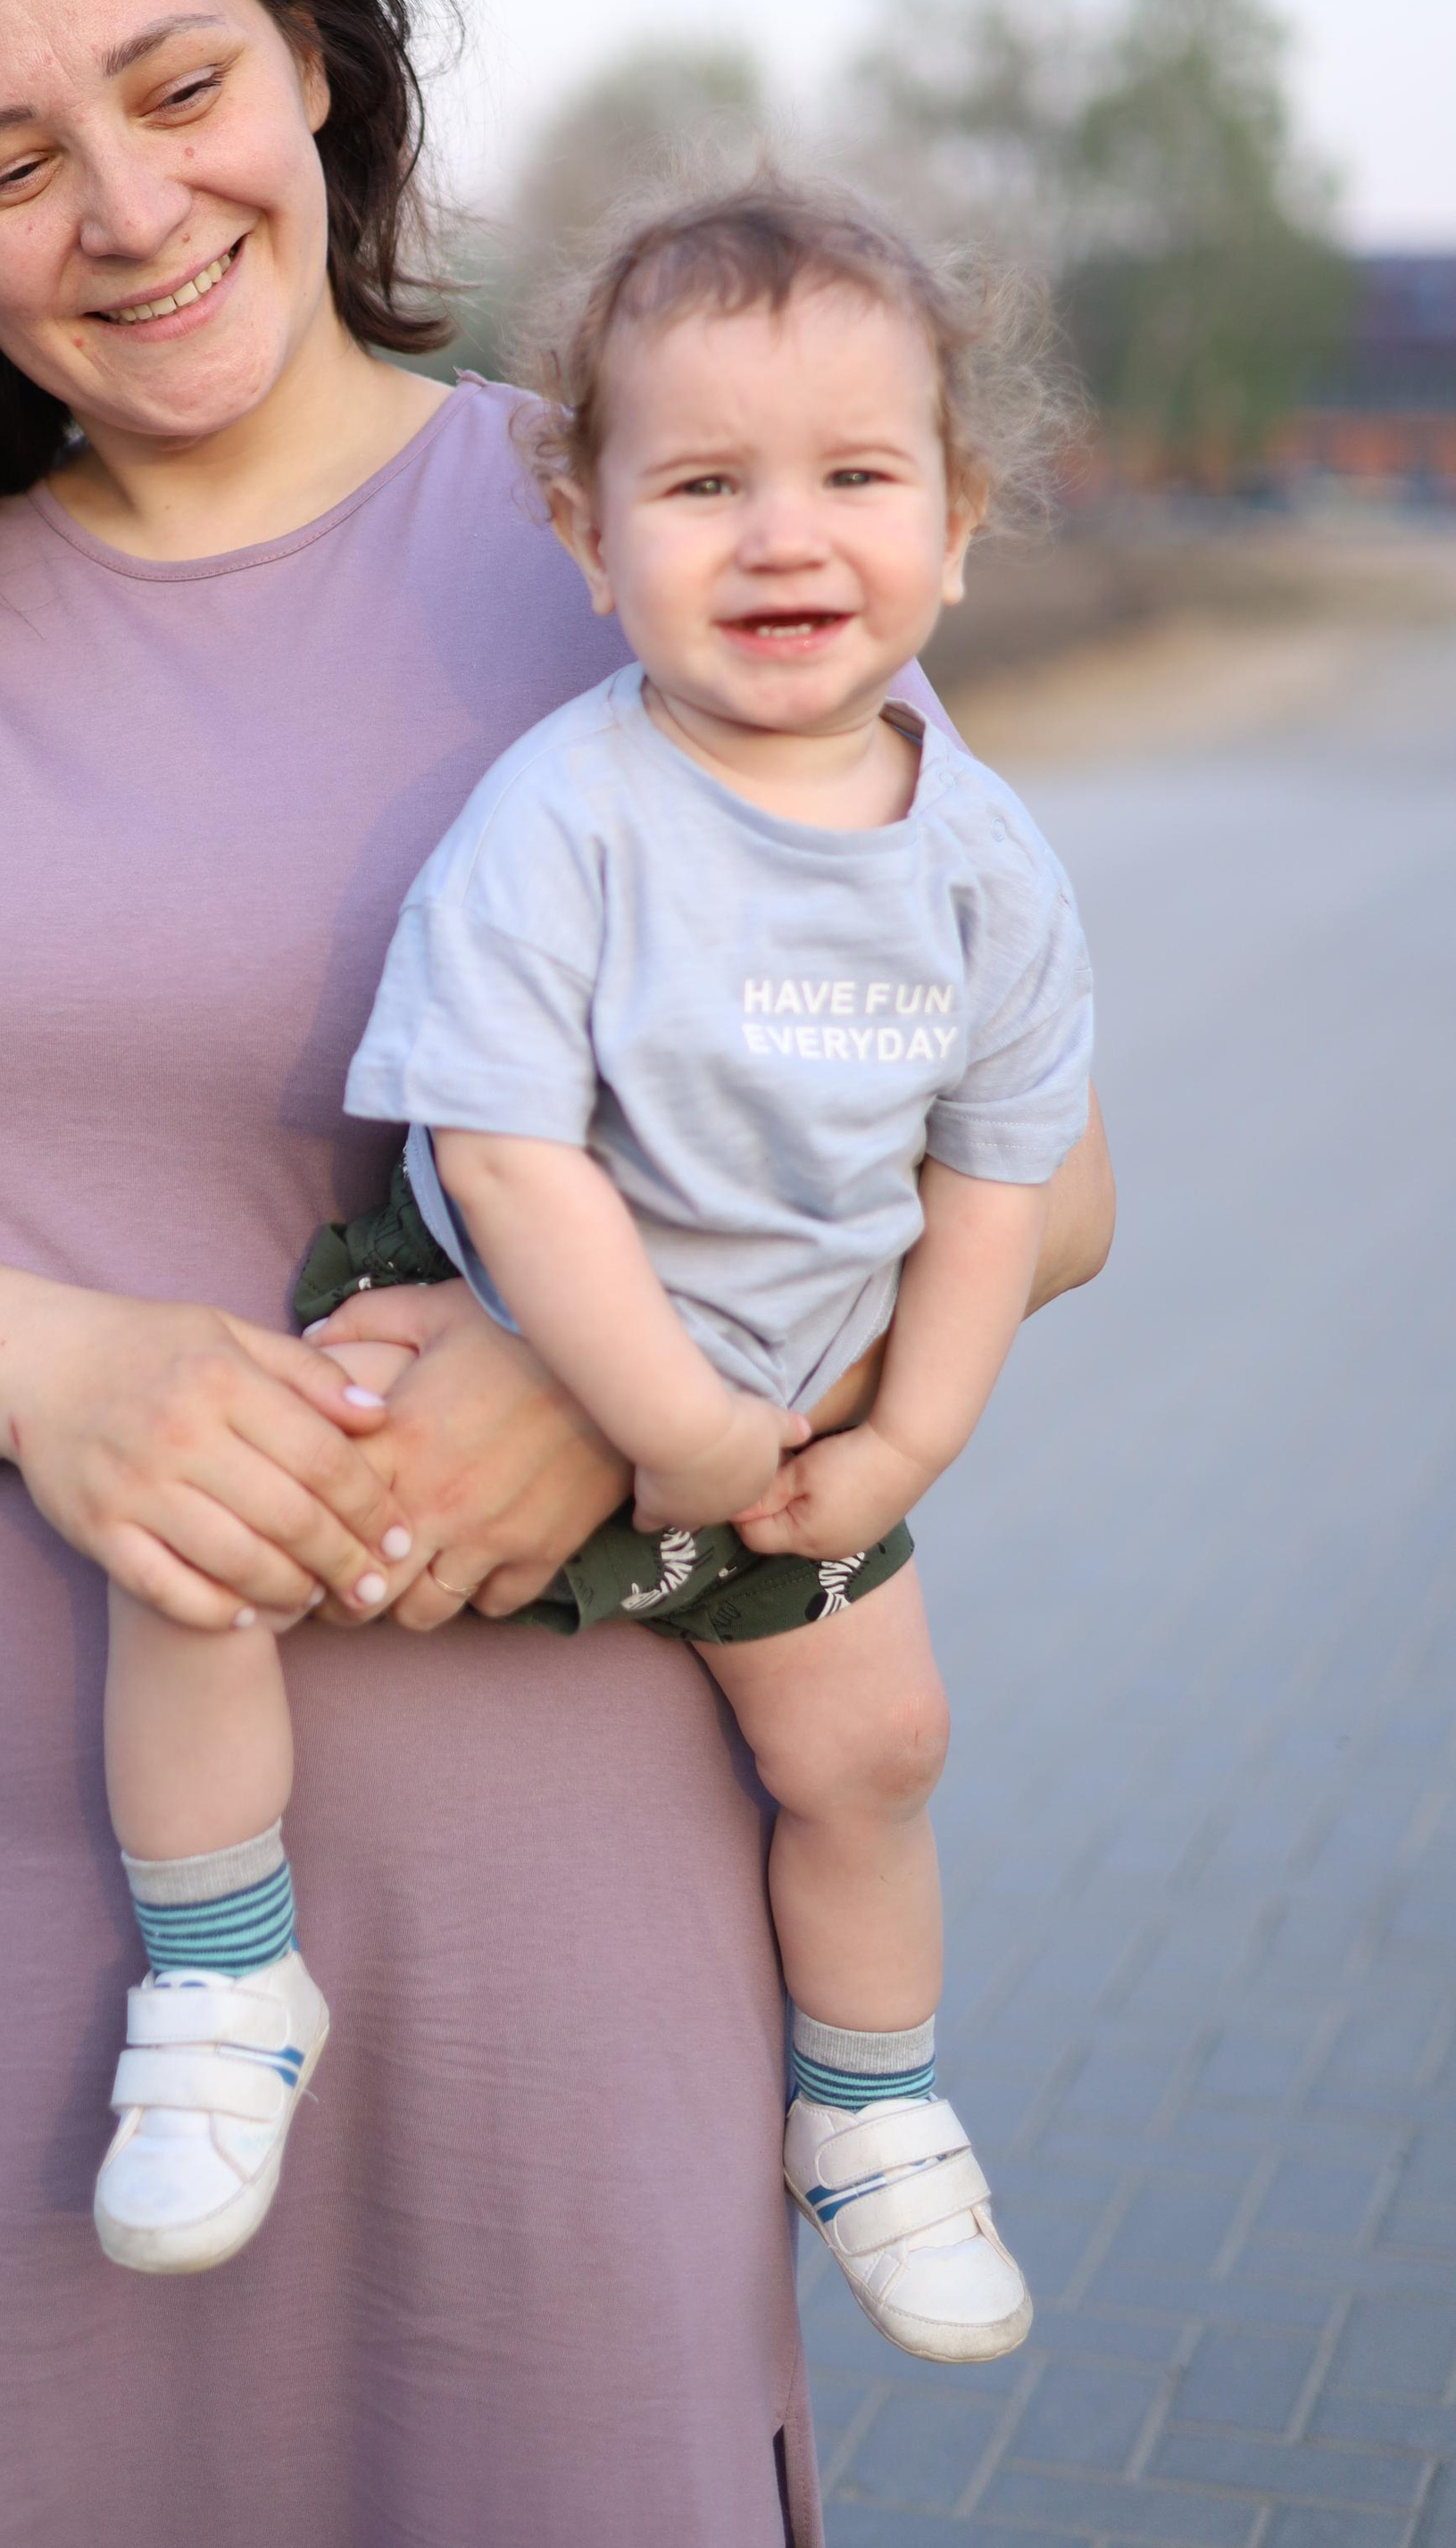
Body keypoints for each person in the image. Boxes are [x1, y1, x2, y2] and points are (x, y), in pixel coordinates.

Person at [0, 0, 1115, 2544]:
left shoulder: (643, 526)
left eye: (178, 84)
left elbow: (1040, 1175)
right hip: (23, 1925)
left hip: (564, 1914)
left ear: (312, 58)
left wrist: (606, 1368)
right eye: (5, 160)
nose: (128, 205)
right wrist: (49, 1369)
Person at [100, 183, 1086, 2348]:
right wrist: (658, 1417)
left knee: (880, 1747)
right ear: (586, 532)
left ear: (955, 522)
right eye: (703, 485)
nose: (782, 538)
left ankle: (873, 2109)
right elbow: (504, 1153)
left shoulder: (983, 861)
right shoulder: (565, 815)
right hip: (501, 1325)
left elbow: (998, 1185)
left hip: (791, 1410)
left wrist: (904, 1439)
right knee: (195, 1562)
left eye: (853, 478)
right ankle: (223, 1980)